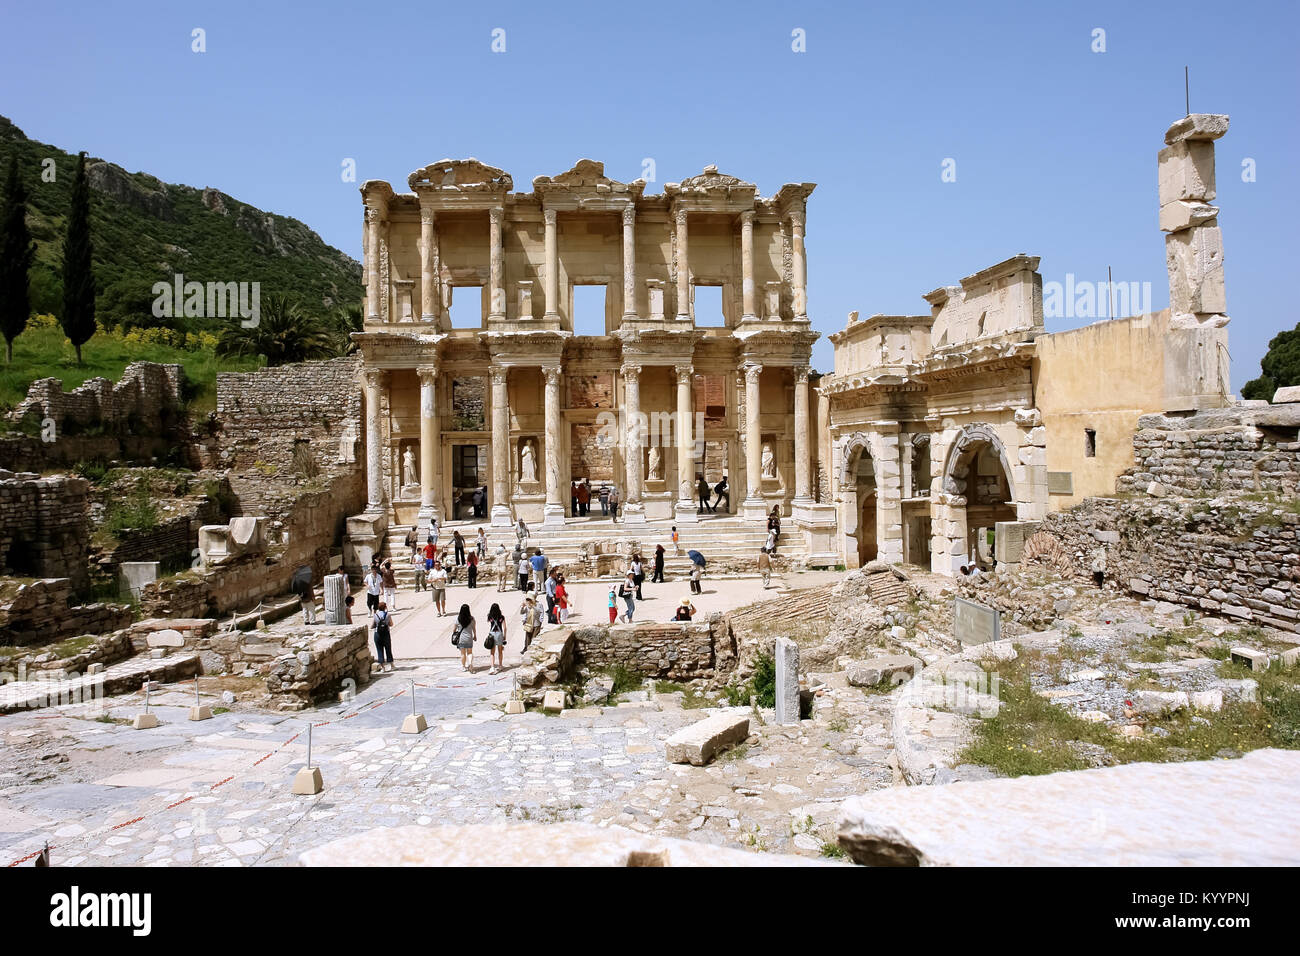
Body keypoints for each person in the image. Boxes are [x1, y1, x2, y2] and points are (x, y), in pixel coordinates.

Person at [453, 604, 476, 672]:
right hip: (469, 638)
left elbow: (454, 629)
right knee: (470, 652)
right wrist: (475, 635)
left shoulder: (458, 618)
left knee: (463, 653)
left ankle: (463, 667)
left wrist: (455, 633)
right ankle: (470, 665)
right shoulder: (472, 618)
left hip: (461, 638)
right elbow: (474, 628)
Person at [372, 600, 394, 671]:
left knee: (379, 650)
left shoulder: (375, 615)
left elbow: (373, 625)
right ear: (385, 607)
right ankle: (391, 664)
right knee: (388, 649)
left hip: (377, 634)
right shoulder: (388, 615)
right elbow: (391, 624)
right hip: (386, 633)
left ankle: (382, 667)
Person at [486, 602, 507, 674]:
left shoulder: (490, 616)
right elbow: (505, 628)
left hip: (492, 634)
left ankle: (492, 667)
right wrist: (504, 637)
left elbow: (490, 622)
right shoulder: (502, 617)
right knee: (500, 651)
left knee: (492, 652)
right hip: (499, 633)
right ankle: (500, 665)